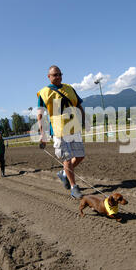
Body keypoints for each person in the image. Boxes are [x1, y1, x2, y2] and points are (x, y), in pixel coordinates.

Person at [37, 65, 86, 199]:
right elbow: (40, 116)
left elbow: (79, 105)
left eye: (60, 74)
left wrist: (84, 120)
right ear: (49, 77)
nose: (58, 77)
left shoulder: (69, 88)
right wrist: (43, 134)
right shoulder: (44, 93)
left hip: (73, 127)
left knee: (80, 156)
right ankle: (73, 188)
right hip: (58, 130)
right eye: (55, 75)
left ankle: (64, 174)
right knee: (67, 158)